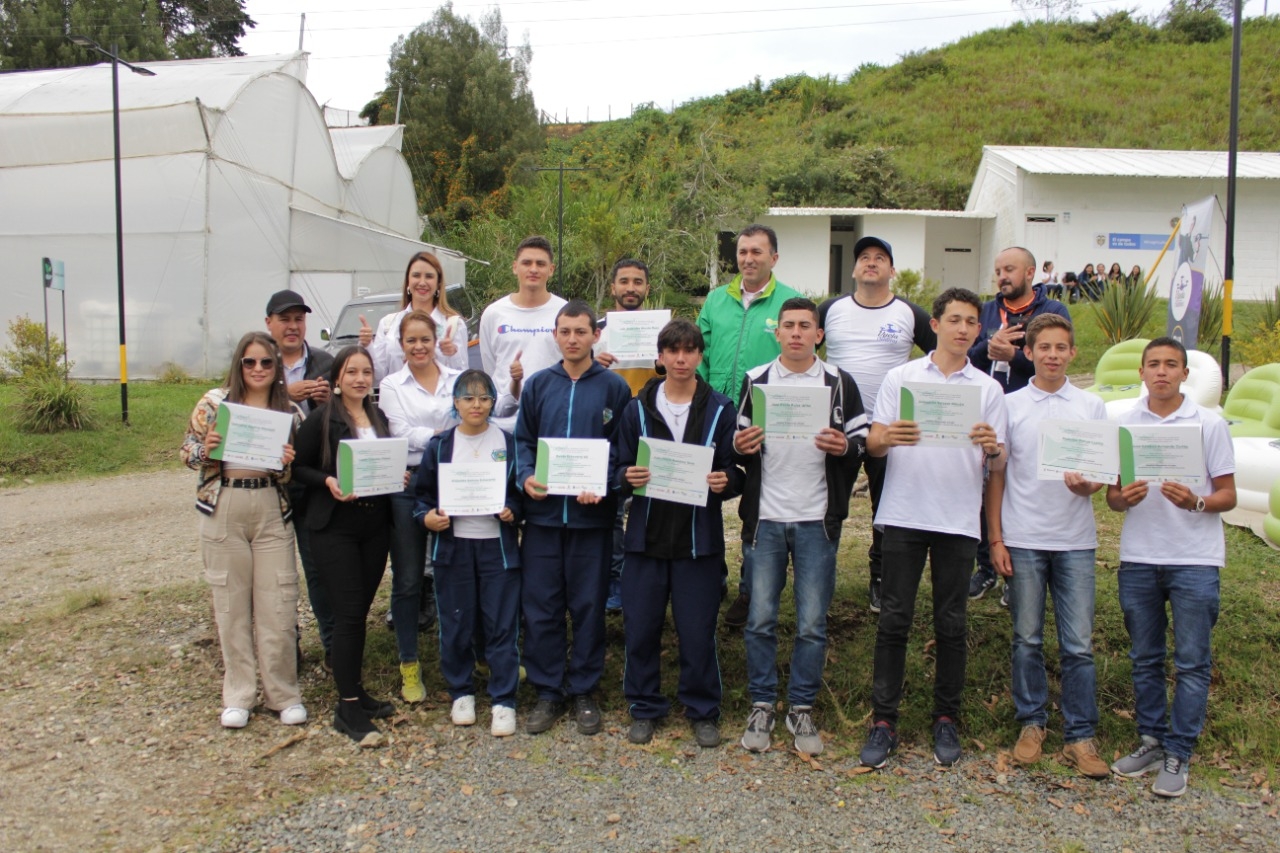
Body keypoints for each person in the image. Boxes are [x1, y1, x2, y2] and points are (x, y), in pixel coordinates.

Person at [860, 288, 1007, 770]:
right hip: (904, 513)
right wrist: (888, 436)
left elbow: (999, 461)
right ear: (936, 325)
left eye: (971, 322)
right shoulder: (902, 377)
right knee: (894, 620)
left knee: (952, 622)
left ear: (978, 331)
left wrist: (992, 447)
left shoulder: (987, 389)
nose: (963, 329)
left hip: (957, 518)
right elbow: (873, 444)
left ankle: (946, 718)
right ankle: (884, 720)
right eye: (954, 320)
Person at [733, 297, 866, 755]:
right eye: (788, 325)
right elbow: (737, 442)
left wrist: (843, 447)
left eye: (804, 326)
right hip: (766, 518)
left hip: (817, 519)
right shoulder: (756, 380)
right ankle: (762, 703)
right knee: (760, 618)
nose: (795, 333)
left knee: (811, 622)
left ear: (818, 334)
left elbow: (863, 441)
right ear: (777, 333)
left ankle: (802, 707)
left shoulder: (839, 382)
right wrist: (741, 444)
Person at [1106, 337, 1236, 798]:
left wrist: (1197, 502)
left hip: (1194, 559)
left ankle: (1179, 751)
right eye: (1154, 364)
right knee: (1144, 657)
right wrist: (1124, 497)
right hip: (1140, 557)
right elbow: (1113, 497)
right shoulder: (1124, 424)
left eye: (1171, 364)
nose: (1161, 371)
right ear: (1141, 372)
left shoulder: (1209, 424)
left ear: (1184, 373)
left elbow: (1228, 494)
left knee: (1192, 661)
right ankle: (1151, 740)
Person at [985, 314, 1110, 779]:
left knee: (1078, 644)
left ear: (1073, 353)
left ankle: (1081, 736)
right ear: (1029, 353)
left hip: (1075, 541)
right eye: (1044, 347)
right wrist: (996, 538)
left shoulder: (1091, 406)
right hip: (1023, 538)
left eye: (1061, 348)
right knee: (1027, 638)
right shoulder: (1010, 405)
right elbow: (996, 475)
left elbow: (1101, 475)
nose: (1053, 355)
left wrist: (1088, 486)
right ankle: (1031, 723)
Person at [613, 319, 743, 748]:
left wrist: (727, 481)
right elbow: (617, 467)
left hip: (697, 541)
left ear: (700, 356)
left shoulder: (721, 409)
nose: (681, 358)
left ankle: (702, 710)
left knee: (697, 631)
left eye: (689, 350)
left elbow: (737, 470)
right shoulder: (636, 408)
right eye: (673, 351)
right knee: (641, 629)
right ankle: (644, 706)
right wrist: (626, 476)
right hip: (645, 540)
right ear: (660, 356)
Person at [514, 300, 632, 736]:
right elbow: (523, 441)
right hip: (544, 519)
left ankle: (583, 688)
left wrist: (604, 482)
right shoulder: (539, 385)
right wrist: (525, 476)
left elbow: (622, 447)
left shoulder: (614, 388)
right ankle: (548, 690)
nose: (572, 339)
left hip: (592, 520)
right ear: (555, 335)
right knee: (541, 608)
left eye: (581, 331)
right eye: (564, 331)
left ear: (595, 335)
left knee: (588, 607)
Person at [181, 332, 307, 730]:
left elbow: (295, 474)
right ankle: (238, 694)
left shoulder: (290, 412)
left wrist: (287, 462)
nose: (258, 369)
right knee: (231, 605)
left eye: (266, 362)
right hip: (225, 505)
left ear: (276, 367)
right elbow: (186, 451)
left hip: (270, 506)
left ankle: (283, 693)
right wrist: (205, 448)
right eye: (249, 362)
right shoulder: (214, 403)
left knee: (278, 603)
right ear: (239, 364)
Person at [819, 236, 936, 613]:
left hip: (888, 428)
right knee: (829, 506)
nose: (871, 262)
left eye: (880, 258)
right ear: (854, 269)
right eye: (864, 257)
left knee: (887, 508)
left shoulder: (910, 313)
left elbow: (941, 359)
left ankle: (881, 576)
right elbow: (799, 349)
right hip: (839, 427)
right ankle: (819, 578)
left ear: (892, 270)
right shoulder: (830, 310)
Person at [696, 224, 802, 628]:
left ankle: (749, 588)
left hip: (763, 416)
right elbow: (700, 351)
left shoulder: (790, 301)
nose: (748, 259)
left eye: (757, 252)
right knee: (706, 490)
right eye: (743, 252)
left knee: (755, 502)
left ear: (774, 257)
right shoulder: (716, 299)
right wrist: (702, 399)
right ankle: (713, 575)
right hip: (715, 411)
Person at [293, 346, 399, 747]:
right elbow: (298, 468)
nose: (360, 379)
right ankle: (347, 707)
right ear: (337, 378)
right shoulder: (321, 419)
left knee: (359, 612)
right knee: (349, 616)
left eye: (366, 372)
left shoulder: (378, 417)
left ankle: (356, 692)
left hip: (374, 527)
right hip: (335, 528)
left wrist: (398, 476)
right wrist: (328, 481)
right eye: (351, 372)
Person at [413, 369, 524, 737]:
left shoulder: (508, 442)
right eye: (468, 398)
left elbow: (520, 493)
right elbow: (422, 497)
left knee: (501, 623)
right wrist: (427, 518)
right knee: (456, 622)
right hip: (454, 548)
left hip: (497, 549)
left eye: (484, 397)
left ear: (493, 402)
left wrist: (512, 510)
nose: (476, 405)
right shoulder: (441, 445)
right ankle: (461, 692)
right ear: (455, 403)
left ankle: (503, 698)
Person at [966, 247, 1070, 603]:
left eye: (1009, 269)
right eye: (998, 271)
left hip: (1033, 410)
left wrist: (1014, 356)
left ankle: (1016, 572)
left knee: (1019, 487)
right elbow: (969, 359)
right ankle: (986, 567)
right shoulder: (986, 311)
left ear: (1030, 272)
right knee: (984, 485)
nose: (1002, 277)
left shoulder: (1052, 311)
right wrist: (988, 348)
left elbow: (1055, 362)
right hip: (990, 409)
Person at [378, 311, 460, 703]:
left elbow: (476, 417)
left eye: (425, 339)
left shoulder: (457, 379)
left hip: (454, 481)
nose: (419, 346)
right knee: (409, 578)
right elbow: (400, 432)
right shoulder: (391, 385)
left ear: (436, 340)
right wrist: (447, 434)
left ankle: (468, 655)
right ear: (401, 345)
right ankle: (409, 663)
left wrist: (440, 436)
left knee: (456, 573)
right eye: (411, 340)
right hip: (408, 484)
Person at [264, 290, 335, 665]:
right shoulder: (257, 361)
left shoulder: (324, 362)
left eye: (298, 319)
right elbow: (236, 406)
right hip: (268, 482)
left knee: (318, 569)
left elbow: (344, 416)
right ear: (269, 324)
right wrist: (282, 393)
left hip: (310, 479)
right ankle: (284, 645)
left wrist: (326, 403)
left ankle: (332, 646)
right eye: (284, 319)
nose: (292, 326)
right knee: (274, 572)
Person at [595, 258, 664, 613]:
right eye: (624, 281)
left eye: (638, 282)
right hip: (608, 427)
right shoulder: (596, 332)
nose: (631, 288)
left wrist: (662, 366)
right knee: (611, 508)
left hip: (651, 426)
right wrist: (595, 365)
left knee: (650, 505)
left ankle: (648, 578)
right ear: (613, 287)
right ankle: (614, 580)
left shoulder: (661, 331)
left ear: (647, 288)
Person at [479, 236, 567, 421]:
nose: (533, 269)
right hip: (504, 420)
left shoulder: (565, 312)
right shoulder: (493, 313)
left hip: (552, 416)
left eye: (540, 264)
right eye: (526, 263)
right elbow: (490, 369)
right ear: (515, 267)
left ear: (551, 270)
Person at [369, 251, 469, 382]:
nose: (422, 282)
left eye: (429, 276)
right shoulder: (388, 325)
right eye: (416, 275)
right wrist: (367, 345)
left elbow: (463, 379)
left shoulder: (453, 325)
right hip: (397, 394)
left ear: (438, 283)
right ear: (408, 281)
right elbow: (378, 375)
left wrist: (452, 354)